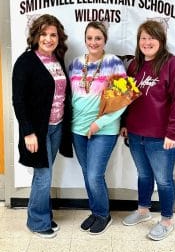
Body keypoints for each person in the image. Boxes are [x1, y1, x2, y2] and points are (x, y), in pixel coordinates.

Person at [120, 20, 175, 241]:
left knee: (163, 180)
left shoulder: (174, 65)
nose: (147, 42)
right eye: (143, 38)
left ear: (161, 40)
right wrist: (124, 122)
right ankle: (143, 210)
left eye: (152, 37)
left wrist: (174, 132)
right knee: (143, 175)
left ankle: (167, 220)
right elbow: (126, 98)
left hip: (162, 138)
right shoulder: (134, 66)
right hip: (135, 132)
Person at [12, 14, 73, 239]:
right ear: (36, 36)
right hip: (37, 130)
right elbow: (18, 100)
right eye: (44, 34)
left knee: (45, 174)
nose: (48, 38)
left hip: (57, 127)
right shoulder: (26, 61)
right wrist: (28, 132)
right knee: (43, 175)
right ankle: (37, 222)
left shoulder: (57, 58)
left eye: (53, 34)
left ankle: (42, 215)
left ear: (59, 37)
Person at [69, 21, 127, 235]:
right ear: (85, 40)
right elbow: (73, 97)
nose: (93, 42)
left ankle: (103, 215)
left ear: (105, 40)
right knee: (87, 173)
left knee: (94, 174)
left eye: (98, 38)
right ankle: (95, 211)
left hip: (103, 129)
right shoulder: (75, 63)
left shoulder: (114, 63)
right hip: (78, 130)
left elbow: (122, 100)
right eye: (90, 38)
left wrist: (98, 123)